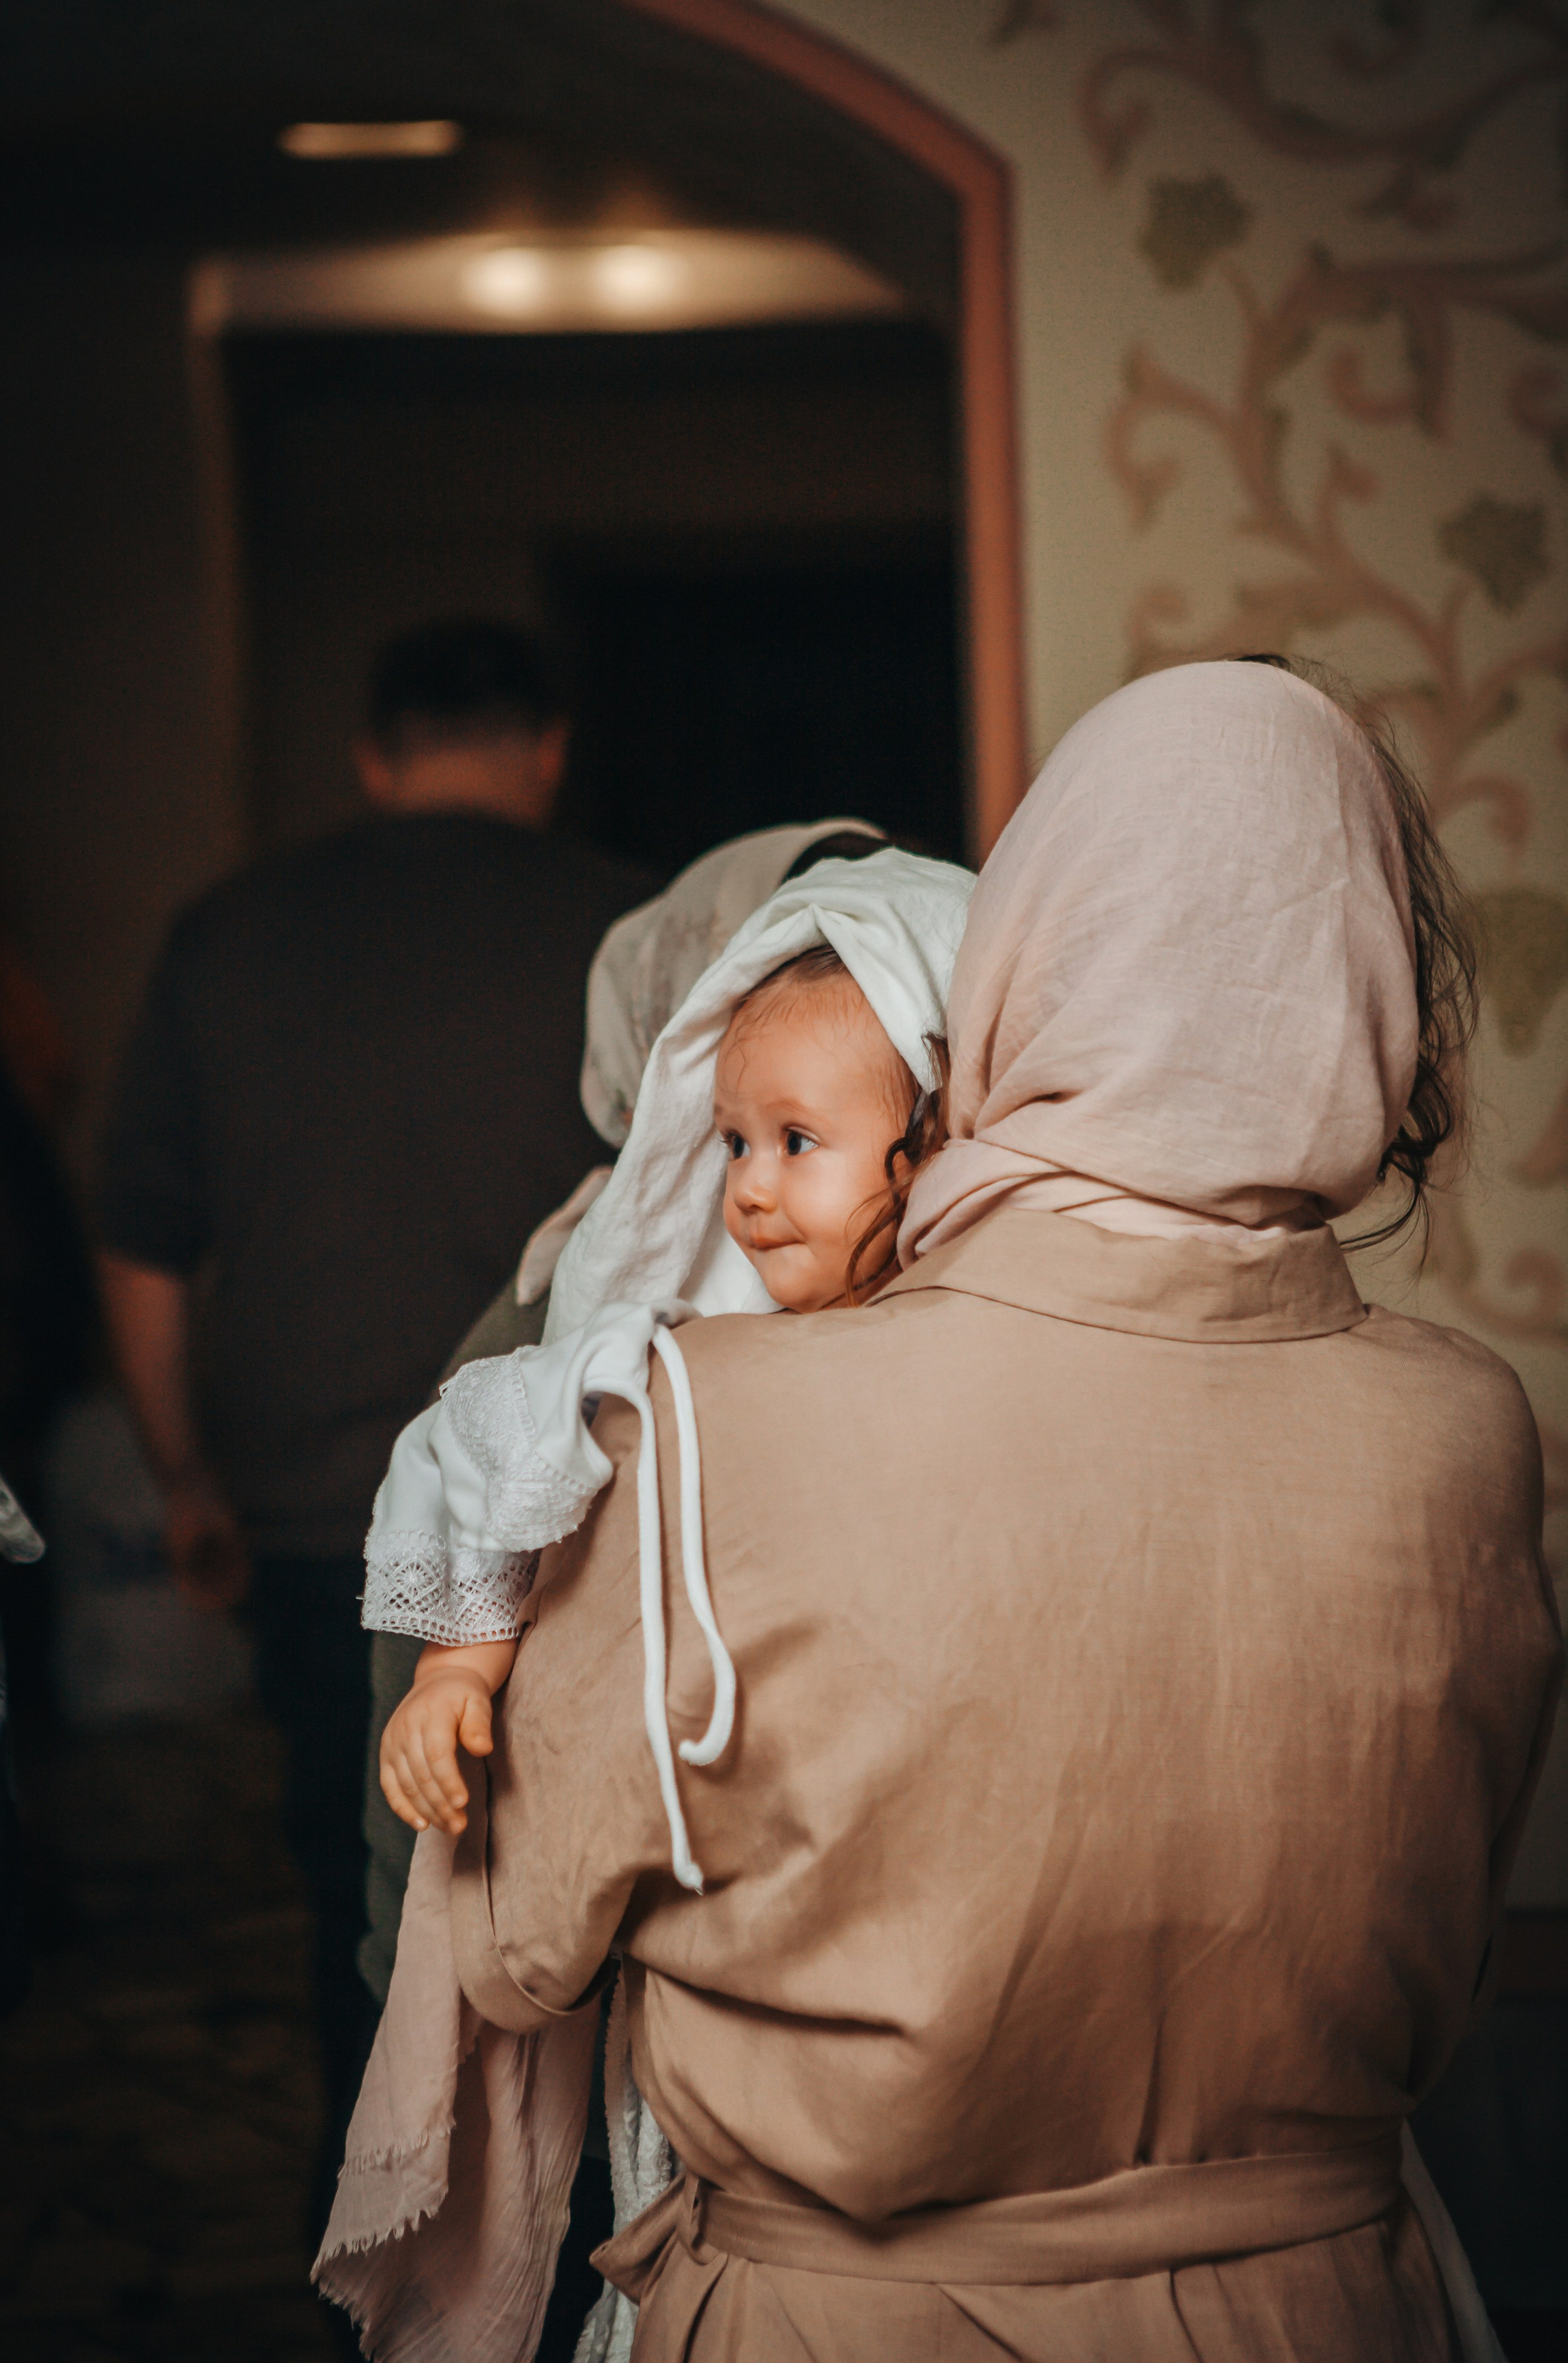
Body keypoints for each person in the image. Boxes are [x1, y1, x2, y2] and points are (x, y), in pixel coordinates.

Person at [345, 656, 1558, 2362]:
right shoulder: (1476, 1431)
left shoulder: (710, 1420)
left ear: (1025, 964)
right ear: (1373, 991)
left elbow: (525, 1945)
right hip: (1328, 2303)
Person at [316, 847, 975, 2362]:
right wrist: (460, 1672)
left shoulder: (997, 1344)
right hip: (707, 1939)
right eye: (731, 1138)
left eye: (796, 1141)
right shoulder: (659, 1335)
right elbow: (494, 1437)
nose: (745, 1185)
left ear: (933, 1136)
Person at [94, 618, 655, 2245]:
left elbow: (142, 1239)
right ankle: (575, 2262)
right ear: (544, 748)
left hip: (306, 1510)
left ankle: (383, 2232)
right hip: (577, 1517)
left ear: (373, 752)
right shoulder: (627, 926)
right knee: (588, 1913)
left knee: (364, 1893)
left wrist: (188, 1478)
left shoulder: (226, 934)